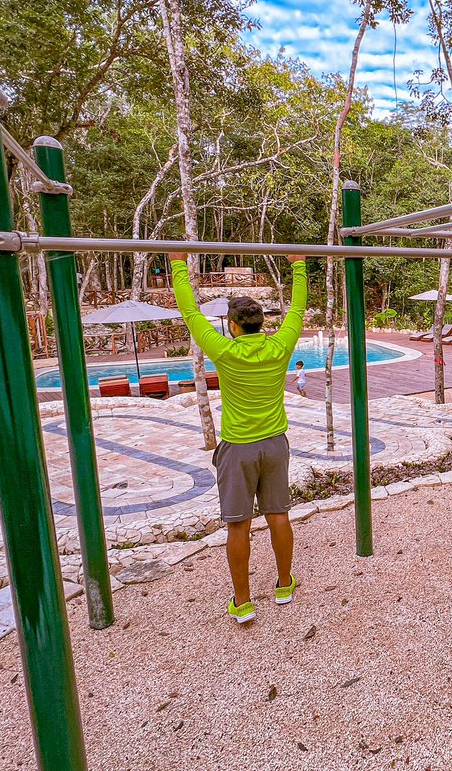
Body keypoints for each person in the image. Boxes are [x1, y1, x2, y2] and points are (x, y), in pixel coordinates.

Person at [169, 251, 307, 624]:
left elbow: (191, 314)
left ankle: (243, 602)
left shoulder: (225, 351)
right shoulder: (280, 348)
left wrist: (179, 265)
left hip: (238, 449)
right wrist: (298, 264)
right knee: (278, 515)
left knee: (238, 523)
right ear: (261, 323)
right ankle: (283, 585)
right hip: (275, 445)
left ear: (232, 324)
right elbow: (297, 310)